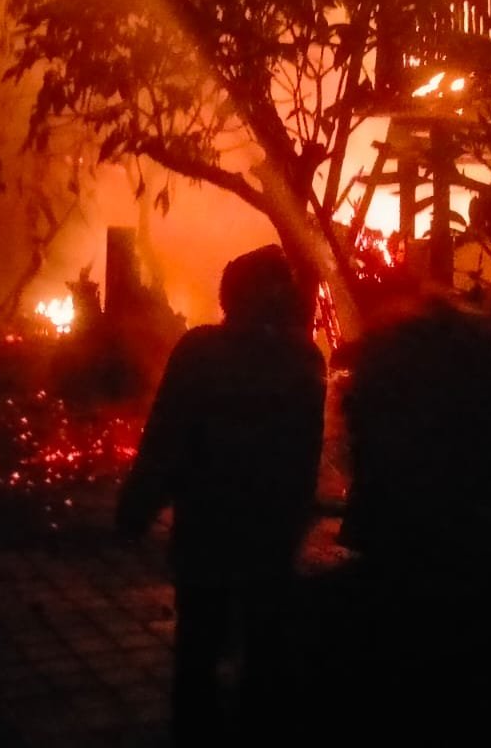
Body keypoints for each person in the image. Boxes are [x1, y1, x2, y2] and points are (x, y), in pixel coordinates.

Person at [115, 244, 326, 745]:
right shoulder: (304, 358)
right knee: (265, 651)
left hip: (208, 531)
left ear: (230, 295)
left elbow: (167, 435)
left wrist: (138, 505)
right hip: (273, 535)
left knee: (199, 652)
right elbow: (306, 453)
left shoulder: (201, 351)